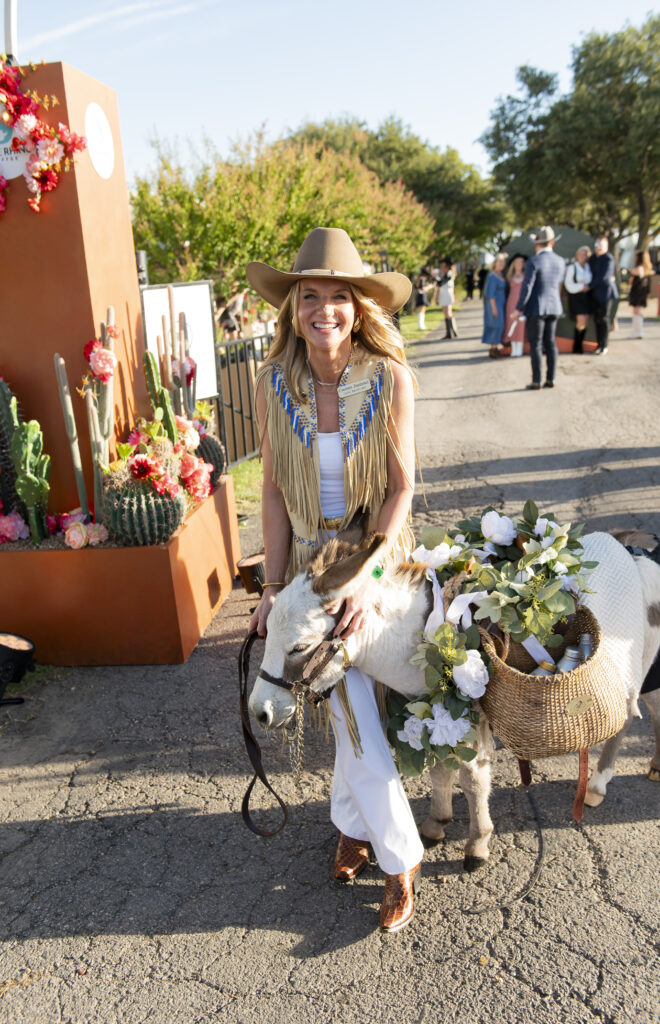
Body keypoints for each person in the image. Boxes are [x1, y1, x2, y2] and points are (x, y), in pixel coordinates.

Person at [246, 227, 423, 934]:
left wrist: (362, 575)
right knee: (348, 703)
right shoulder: (270, 383)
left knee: (352, 701)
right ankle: (372, 838)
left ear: (358, 307)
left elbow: (403, 487)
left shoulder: (388, 377)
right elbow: (269, 493)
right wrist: (272, 588)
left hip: (373, 557)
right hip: (307, 572)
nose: (323, 309)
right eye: (308, 296)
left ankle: (387, 848)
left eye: (337, 297)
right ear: (292, 309)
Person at [510, 226, 566, 389]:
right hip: (554, 306)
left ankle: (537, 380)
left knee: (536, 344)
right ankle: (551, 378)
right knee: (551, 343)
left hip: (537, 308)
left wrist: (517, 309)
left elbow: (527, 288)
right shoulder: (560, 261)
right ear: (552, 244)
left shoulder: (534, 261)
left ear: (537, 244)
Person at [589, 237, 618, 355]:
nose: (598, 247)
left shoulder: (608, 258)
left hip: (605, 293)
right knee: (597, 319)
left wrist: (589, 285)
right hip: (595, 293)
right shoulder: (593, 259)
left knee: (604, 318)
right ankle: (598, 344)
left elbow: (604, 276)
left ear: (606, 246)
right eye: (597, 244)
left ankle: (604, 345)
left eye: (601, 245)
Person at [564, 245, 593, 353]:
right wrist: (581, 287)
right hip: (577, 297)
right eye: (580, 254)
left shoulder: (589, 267)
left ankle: (580, 343)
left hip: (587, 297)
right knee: (580, 321)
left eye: (584, 254)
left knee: (585, 321)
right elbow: (568, 284)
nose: (582, 256)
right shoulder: (572, 268)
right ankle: (577, 345)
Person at [481, 253, 508, 357]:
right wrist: (494, 308)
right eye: (500, 261)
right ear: (495, 263)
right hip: (494, 305)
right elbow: (490, 294)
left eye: (503, 262)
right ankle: (493, 349)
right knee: (496, 325)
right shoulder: (492, 276)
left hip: (501, 304)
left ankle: (495, 346)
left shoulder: (501, 275)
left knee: (500, 326)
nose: (502, 264)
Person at [503, 255, 526, 357]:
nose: (518, 265)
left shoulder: (526, 276)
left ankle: (519, 348)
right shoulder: (509, 276)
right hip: (511, 303)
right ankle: (513, 348)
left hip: (521, 303)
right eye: (517, 262)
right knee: (511, 324)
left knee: (520, 326)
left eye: (521, 262)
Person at [627, 250, 653, 339]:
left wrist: (628, 271)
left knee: (636, 312)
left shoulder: (639, 268)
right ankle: (638, 331)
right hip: (641, 293)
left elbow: (632, 273)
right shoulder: (646, 268)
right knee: (638, 312)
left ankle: (638, 332)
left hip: (638, 293)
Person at [436, 258, 458, 338]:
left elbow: (442, 282)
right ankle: (450, 332)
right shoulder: (445, 273)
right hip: (443, 293)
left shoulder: (449, 273)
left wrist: (437, 279)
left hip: (447, 293)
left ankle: (451, 332)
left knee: (448, 312)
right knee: (446, 313)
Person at [415, 266, 431, 331]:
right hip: (421, 295)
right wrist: (429, 287)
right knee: (422, 310)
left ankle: (421, 324)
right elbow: (422, 288)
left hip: (421, 295)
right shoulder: (422, 279)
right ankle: (420, 325)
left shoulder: (420, 279)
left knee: (422, 310)